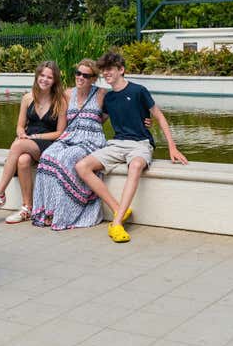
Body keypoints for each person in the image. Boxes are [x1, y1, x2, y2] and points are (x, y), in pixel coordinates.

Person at [76, 51, 188, 243]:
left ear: (121, 70)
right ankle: (120, 209)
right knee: (81, 166)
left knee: (135, 166)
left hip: (140, 144)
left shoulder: (138, 91)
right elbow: (97, 121)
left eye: (110, 69)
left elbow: (158, 116)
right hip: (116, 144)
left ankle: (117, 223)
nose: (106, 73)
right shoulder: (109, 98)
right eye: (103, 70)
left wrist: (172, 147)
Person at [0, 60, 66, 223]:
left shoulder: (59, 101)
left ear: (54, 81)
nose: (45, 79)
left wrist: (35, 138)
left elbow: (60, 133)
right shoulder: (27, 98)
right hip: (28, 142)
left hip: (49, 143)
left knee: (18, 145)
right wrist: (22, 134)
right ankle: (27, 207)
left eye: (49, 77)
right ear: (37, 76)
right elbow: (20, 126)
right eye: (42, 75)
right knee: (23, 160)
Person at [30, 59, 107, 229]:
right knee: (47, 156)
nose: (80, 77)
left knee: (67, 157)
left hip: (91, 139)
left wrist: (144, 121)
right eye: (78, 73)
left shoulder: (102, 94)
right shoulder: (67, 94)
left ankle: (64, 213)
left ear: (94, 78)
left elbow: (114, 115)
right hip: (69, 136)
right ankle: (48, 210)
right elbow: (59, 121)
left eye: (86, 75)